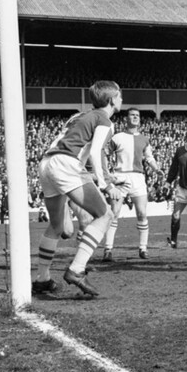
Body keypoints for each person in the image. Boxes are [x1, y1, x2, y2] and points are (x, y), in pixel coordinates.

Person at [32, 81, 124, 298]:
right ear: (111, 100)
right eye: (120, 96)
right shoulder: (105, 120)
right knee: (105, 215)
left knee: (56, 226)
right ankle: (76, 269)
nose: (122, 100)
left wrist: (100, 175)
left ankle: (42, 279)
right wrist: (107, 184)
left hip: (47, 163)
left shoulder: (78, 116)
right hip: (66, 164)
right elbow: (95, 152)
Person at [101, 107, 164, 261]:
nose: (135, 117)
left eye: (137, 115)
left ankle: (143, 249)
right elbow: (104, 153)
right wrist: (107, 174)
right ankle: (108, 250)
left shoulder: (144, 139)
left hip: (138, 178)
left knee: (142, 213)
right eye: (132, 115)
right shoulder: (117, 137)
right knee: (114, 213)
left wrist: (156, 169)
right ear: (126, 119)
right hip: (120, 177)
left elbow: (149, 157)